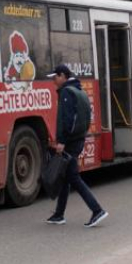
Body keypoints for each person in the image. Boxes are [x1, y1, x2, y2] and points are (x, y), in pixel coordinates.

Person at [45, 64, 108, 227]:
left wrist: (62, 142)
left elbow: (68, 120)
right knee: (66, 178)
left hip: (70, 143)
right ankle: (59, 214)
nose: (53, 81)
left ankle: (97, 210)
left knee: (73, 177)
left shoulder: (66, 92)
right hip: (79, 139)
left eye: (55, 78)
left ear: (62, 76)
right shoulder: (79, 91)